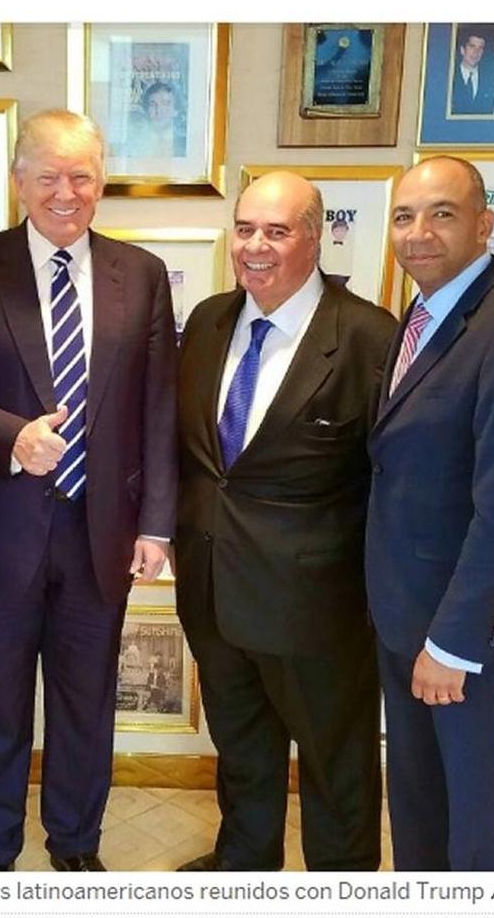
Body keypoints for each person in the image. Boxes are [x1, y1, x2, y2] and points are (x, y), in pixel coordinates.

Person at [0, 108, 177, 872]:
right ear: (18, 180)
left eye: (81, 177)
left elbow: (159, 406)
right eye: (49, 176)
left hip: (102, 534)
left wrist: (156, 523)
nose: (66, 193)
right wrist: (13, 436)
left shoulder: (142, 274)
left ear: (101, 182)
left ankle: (76, 843)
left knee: (85, 704)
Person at [175, 171, 395, 872]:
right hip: (213, 591)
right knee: (241, 745)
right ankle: (245, 863)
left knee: (337, 763)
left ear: (315, 236)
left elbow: (392, 480)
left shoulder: (367, 336)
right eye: (245, 229)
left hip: (315, 607)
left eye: (277, 230)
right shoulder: (207, 321)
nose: (256, 246)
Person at [368, 156, 494, 870]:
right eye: (404, 216)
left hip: (474, 638)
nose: (419, 232)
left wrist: (452, 645)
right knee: (419, 809)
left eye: (442, 214)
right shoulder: (423, 314)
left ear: (484, 225)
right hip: (409, 616)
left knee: (473, 829)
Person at [450, 28, 490, 115]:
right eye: (472, 46)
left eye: (480, 48)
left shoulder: (489, 78)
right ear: (462, 50)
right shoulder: (449, 75)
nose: (476, 52)